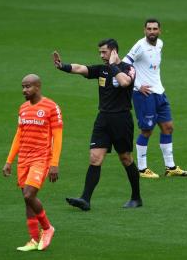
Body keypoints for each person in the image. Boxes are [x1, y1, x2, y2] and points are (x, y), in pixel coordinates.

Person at [52, 38, 142, 211]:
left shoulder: (128, 68)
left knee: (125, 159)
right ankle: (85, 199)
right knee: (95, 158)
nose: (101, 55)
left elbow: (124, 82)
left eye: (104, 52)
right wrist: (61, 66)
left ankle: (136, 197)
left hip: (121, 120)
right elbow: (81, 68)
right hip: (103, 120)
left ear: (114, 51)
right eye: (100, 52)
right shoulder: (101, 70)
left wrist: (114, 65)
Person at [122, 18, 187, 178]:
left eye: (154, 29)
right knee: (146, 130)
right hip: (144, 95)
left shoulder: (160, 44)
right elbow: (124, 64)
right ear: (144, 30)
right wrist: (137, 86)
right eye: (149, 29)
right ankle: (141, 169)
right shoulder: (140, 46)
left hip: (159, 93)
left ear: (159, 30)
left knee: (168, 127)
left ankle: (170, 167)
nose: (151, 32)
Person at [2, 74, 63, 251]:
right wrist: (9, 161)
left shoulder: (51, 107)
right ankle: (34, 239)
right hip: (24, 159)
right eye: (23, 87)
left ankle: (47, 228)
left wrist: (54, 163)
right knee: (27, 200)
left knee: (29, 194)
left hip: (41, 158)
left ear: (38, 87)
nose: (24, 90)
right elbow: (19, 135)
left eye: (28, 87)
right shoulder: (23, 108)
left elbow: (58, 137)